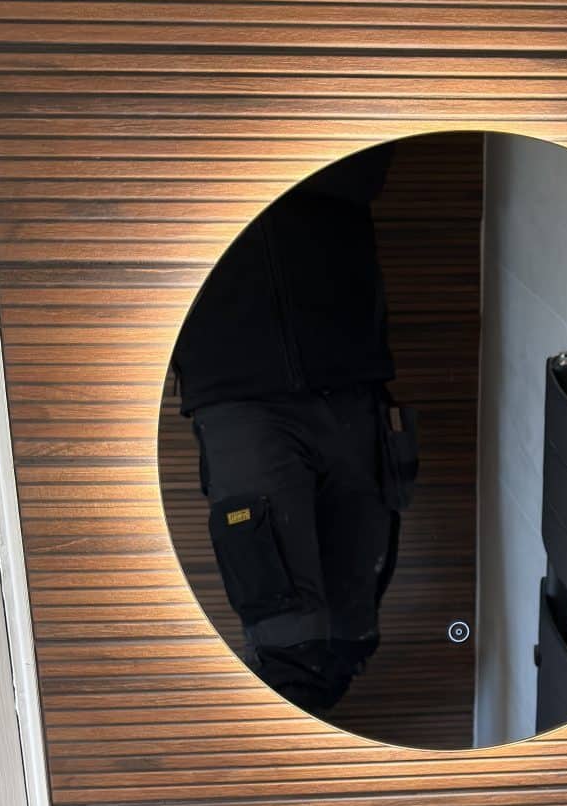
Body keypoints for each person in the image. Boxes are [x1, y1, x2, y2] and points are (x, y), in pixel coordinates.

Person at [173, 147, 417, 715]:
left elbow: (364, 171)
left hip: (351, 373)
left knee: (351, 633)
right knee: (289, 640)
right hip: (234, 388)